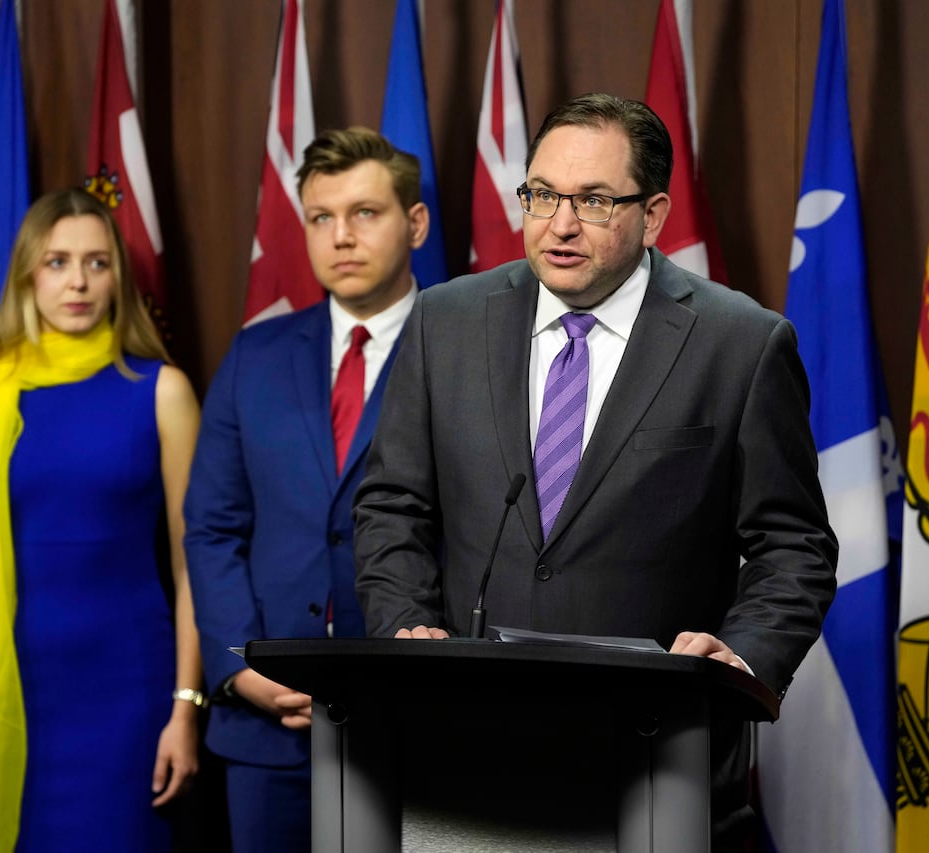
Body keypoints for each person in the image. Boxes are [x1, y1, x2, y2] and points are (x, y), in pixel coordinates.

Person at [352, 93, 838, 848]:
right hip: (465, 747)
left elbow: (794, 547)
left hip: (654, 756)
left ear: (654, 214)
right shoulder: (446, 321)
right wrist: (405, 623)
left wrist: (739, 658)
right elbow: (392, 503)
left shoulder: (740, 343)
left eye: (594, 200)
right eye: (542, 194)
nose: (559, 223)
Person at [0, 188, 203, 851]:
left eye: (98, 263)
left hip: (130, 690)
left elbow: (195, 568)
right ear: (27, 274)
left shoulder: (163, 392)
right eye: (58, 262)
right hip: (11, 693)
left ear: (117, 278)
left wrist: (185, 709)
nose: (78, 281)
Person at [183, 126, 430, 853]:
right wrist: (239, 666)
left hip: (414, 721)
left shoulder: (464, 350)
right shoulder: (254, 355)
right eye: (321, 218)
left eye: (364, 213)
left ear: (414, 223)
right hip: (269, 728)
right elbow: (212, 528)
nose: (340, 237)